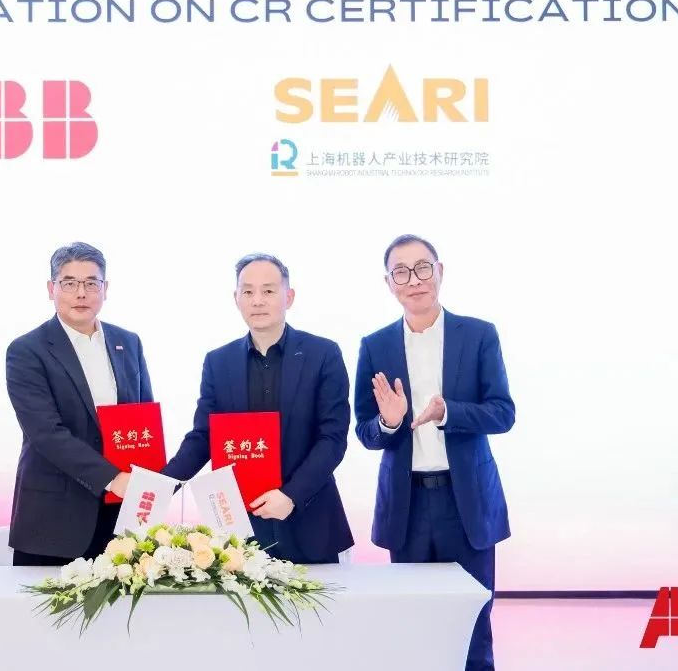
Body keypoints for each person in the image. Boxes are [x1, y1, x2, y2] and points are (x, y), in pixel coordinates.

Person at [354, 234, 515, 671]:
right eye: (401, 272)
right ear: (389, 284)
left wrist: (449, 412)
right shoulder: (375, 345)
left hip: (466, 503)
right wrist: (389, 422)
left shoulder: (479, 335)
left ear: (440, 272)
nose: (414, 280)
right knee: (414, 626)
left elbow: (503, 413)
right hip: (407, 505)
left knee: (473, 629)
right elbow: (365, 432)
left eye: (423, 267)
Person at [163, 253, 353, 564]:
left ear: (288, 297)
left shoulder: (323, 354)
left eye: (268, 290)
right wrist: (160, 486)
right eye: (248, 291)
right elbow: (203, 437)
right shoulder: (218, 362)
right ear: (236, 298)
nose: (257, 300)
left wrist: (291, 495)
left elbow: (332, 439)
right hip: (241, 528)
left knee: (318, 598)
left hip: (310, 520)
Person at [6, 242, 154, 565]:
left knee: (122, 600)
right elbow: (46, 434)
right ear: (51, 289)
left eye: (91, 283)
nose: (81, 293)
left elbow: (143, 421)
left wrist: (149, 484)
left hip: (120, 518)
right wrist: (112, 477)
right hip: (54, 521)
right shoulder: (27, 350)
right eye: (69, 283)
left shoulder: (128, 342)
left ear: (105, 289)